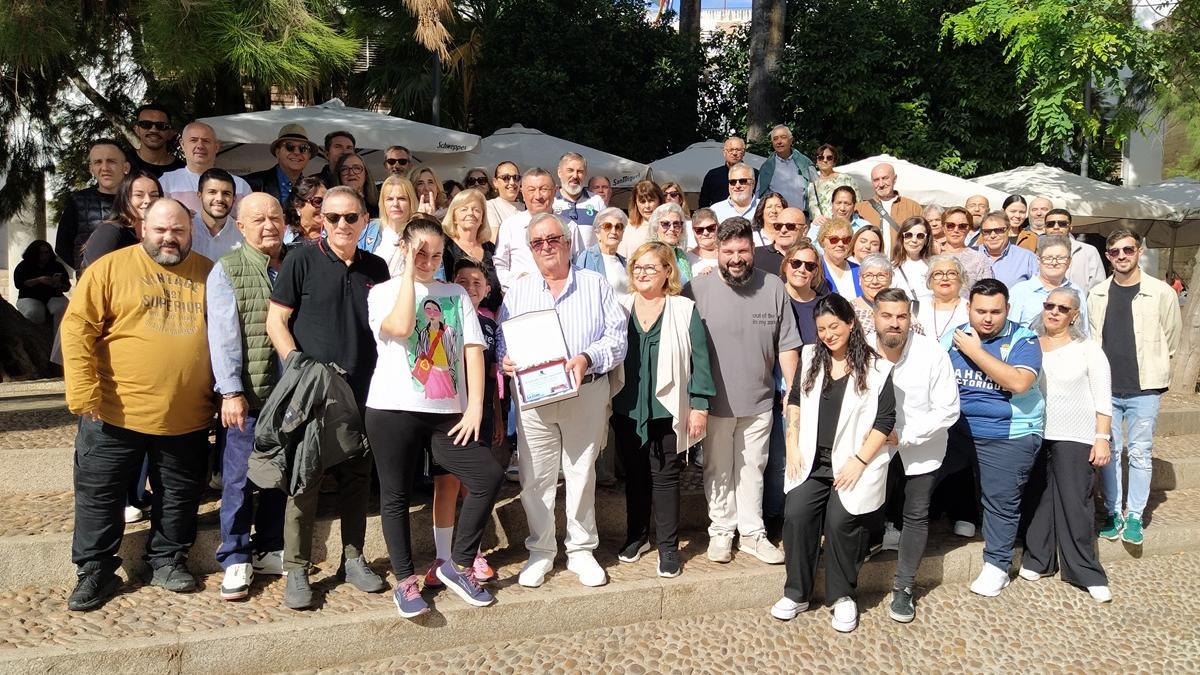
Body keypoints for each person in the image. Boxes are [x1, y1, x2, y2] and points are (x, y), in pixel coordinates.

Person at [61, 198, 215, 611]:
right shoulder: (110, 269)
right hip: (112, 412)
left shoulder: (207, 272)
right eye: (161, 229)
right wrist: (82, 391)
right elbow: (77, 330)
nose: (170, 238)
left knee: (179, 494)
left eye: (178, 230)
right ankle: (94, 570)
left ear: (190, 231)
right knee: (100, 494)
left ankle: (167, 559)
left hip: (187, 415)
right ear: (143, 227)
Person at [364, 216, 504, 618]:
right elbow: (403, 325)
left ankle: (457, 563)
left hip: (446, 410)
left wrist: (475, 405)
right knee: (395, 495)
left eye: (436, 254)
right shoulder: (383, 292)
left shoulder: (456, 294)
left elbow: (473, 350)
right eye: (420, 252)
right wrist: (409, 271)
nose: (428, 260)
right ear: (405, 249)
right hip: (392, 408)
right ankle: (405, 581)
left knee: (486, 476)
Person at [265, 186, 391, 609]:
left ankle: (353, 558)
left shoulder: (377, 266)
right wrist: (297, 366)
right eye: (332, 217)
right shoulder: (300, 257)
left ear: (365, 221)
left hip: (364, 390)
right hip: (314, 392)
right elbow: (276, 320)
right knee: (305, 480)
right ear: (322, 219)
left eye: (350, 218)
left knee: (358, 479)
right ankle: (297, 568)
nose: (341, 225)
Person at [498, 212, 628, 589]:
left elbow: (617, 339)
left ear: (568, 243)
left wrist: (587, 357)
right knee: (534, 478)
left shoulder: (595, 285)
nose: (546, 247)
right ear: (531, 249)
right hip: (535, 398)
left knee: (581, 472)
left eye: (552, 239)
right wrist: (504, 360)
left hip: (584, 390)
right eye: (537, 243)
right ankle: (540, 551)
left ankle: (581, 550)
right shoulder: (519, 290)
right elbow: (504, 342)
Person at [772, 294, 895, 633]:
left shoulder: (877, 368)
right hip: (812, 461)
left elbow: (884, 421)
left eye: (834, 326)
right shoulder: (810, 357)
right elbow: (794, 400)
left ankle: (842, 596)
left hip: (852, 464)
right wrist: (793, 445)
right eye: (822, 328)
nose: (827, 334)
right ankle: (797, 592)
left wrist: (858, 461)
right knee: (797, 512)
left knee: (841, 522)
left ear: (851, 323)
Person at [683, 216, 801, 566]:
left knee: (753, 467)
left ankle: (751, 532)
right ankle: (721, 529)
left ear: (753, 249)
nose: (736, 258)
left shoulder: (774, 286)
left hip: (760, 398)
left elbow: (787, 344)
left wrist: (791, 393)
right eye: (729, 251)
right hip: (714, 402)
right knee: (718, 468)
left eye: (743, 250)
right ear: (716, 251)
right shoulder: (696, 290)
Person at [611, 241, 715, 578]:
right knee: (635, 475)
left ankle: (669, 548)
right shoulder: (620, 305)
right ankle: (637, 536)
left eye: (650, 267)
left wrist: (699, 406)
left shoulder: (683, 308)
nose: (642, 273)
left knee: (665, 477)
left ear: (667, 271)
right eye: (637, 267)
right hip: (627, 406)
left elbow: (701, 361)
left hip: (667, 409)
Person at [205, 192, 289, 601]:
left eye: (275, 216)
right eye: (258, 219)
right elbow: (222, 337)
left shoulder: (296, 263)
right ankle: (235, 554)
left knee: (279, 477)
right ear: (240, 226)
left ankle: (270, 546)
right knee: (238, 480)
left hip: (288, 397)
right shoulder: (228, 269)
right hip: (248, 396)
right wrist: (231, 390)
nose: (269, 225)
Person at [942, 279, 1044, 598]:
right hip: (957, 429)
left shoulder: (1024, 338)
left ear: (1008, 310)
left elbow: (1018, 382)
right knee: (916, 474)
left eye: (996, 311)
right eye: (981, 310)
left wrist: (974, 352)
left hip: (1007, 433)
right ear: (968, 308)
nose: (987, 318)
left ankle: (997, 565)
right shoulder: (953, 335)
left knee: (999, 500)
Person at [1087, 229, 1181, 546]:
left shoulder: (1161, 292)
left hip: (1145, 388)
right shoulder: (1097, 293)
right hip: (1106, 388)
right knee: (1109, 453)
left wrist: (1155, 365)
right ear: (1108, 256)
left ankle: (1135, 516)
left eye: (1127, 250)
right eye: (1114, 252)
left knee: (1140, 453)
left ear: (1138, 251)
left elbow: (1171, 337)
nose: (1122, 256)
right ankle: (1113, 512)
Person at [871, 288, 959, 623]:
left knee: (916, 514)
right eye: (887, 315)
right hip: (871, 445)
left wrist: (904, 436)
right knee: (862, 507)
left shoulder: (932, 352)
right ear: (875, 315)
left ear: (910, 317)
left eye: (901, 316)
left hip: (922, 446)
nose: (894, 323)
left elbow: (948, 410)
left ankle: (904, 586)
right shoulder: (860, 347)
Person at [1020, 288, 1113, 603]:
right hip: (1035, 431)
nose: (1055, 312)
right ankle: (1038, 559)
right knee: (1037, 498)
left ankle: (1085, 570)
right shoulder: (1029, 345)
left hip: (1076, 433)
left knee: (1076, 501)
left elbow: (1103, 397)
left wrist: (1102, 438)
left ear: (1075, 315)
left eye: (1063, 308)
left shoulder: (1088, 349)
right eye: (1050, 305)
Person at [494, 168, 582, 291]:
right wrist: (513, 284)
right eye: (531, 190)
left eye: (543, 189)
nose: (538, 196)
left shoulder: (570, 226)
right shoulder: (509, 226)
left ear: (555, 191)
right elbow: (499, 264)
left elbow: (579, 263)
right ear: (522, 193)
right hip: (521, 297)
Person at [55, 139, 129, 272]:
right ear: (91, 169)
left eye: (111, 161)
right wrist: (85, 269)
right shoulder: (77, 201)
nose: (105, 168)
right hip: (91, 285)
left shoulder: (138, 201)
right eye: (98, 162)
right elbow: (62, 246)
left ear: (126, 167)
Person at [159, 122, 251, 218]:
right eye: (193, 140)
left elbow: (251, 222)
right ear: (182, 145)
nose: (200, 146)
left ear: (216, 147)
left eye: (206, 141)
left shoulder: (240, 186)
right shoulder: (166, 182)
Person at [80, 170, 161, 271]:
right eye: (139, 195)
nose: (148, 200)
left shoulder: (160, 235)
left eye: (154, 195)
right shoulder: (110, 231)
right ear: (125, 198)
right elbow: (94, 276)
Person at [1009, 235, 1090, 332]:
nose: (1054, 262)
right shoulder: (1020, 291)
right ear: (1038, 260)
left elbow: (1083, 331)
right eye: (1048, 258)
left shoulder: (1076, 292)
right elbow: (1010, 331)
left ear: (1069, 261)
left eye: (1061, 258)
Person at [441, 188, 502, 311]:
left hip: (491, 320)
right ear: (453, 217)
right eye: (464, 209)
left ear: (482, 218)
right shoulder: (445, 247)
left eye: (476, 210)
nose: (471, 213)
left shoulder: (490, 248)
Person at [854, 163, 922, 256]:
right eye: (876, 180)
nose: (881, 184)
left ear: (895, 179)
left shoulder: (913, 207)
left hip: (902, 265)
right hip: (870, 266)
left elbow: (924, 237)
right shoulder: (859, 209)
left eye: (885, 178)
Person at [358, 175, 417, 276]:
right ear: (383, 203)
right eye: (389, 199)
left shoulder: (421, 233)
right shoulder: (367, 229)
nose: (395, 204)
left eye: (402, 198)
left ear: (411, 202)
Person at [242, 124, 315, 205]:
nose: (297, 152)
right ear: (277, 152)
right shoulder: (251, 184)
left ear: (309, 156)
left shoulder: (314, 190)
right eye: (289, 147)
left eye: (303, 148)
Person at [13, 240, 70, 334]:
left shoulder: (56, 266)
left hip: (53, 296)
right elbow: (19, 284)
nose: (44, 256)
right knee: (34, 313)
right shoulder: (24, 266)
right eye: (40, 253)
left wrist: (59, 284)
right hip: (29, 296)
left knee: (62, 308)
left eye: (47, 252)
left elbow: (66, 286)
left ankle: (59, 341)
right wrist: (38, 280)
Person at [756, 125, 816, 213]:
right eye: (775, 139)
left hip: (802, 218)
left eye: (783, 137)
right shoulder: (766, 168)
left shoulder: (805, 164)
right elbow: (759, 196)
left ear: (791, 140)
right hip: (777, 219)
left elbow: (817, 190)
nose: (779, 142)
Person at [553, 152, 606, 248]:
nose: (575, 176)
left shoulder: (597, 201)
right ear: (559, 172)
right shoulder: (551, 202)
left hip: (590, 262)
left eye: (580, 171)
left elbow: (606, 235)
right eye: (570, 170)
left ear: (585, 174)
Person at [190, 168, 245, 261]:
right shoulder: (186, 229)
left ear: (234, 198)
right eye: (212, 192)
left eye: (226, 193)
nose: (219, 198)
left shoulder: (242, 234)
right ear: (200, 195)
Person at [1043, 209, 1105, 290]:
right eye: (1050, 224)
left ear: (1070, 227)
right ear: (1044, 228)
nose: (1056, 227)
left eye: (1062, 224)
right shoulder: (1037, 251)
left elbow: (1098, 285)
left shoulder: (1089, 251)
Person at [574, 207, 629, 296]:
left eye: (618, 227)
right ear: (597, 233)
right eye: (608, 226)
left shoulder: (624, 262)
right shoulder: (587, 258)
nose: (614, 231)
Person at [782, 240, 828, 345]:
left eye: (810, 266)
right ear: (785, 265)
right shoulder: (773, 299)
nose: (802, 270)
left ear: (815, 271)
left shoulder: (824, 304)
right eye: (796, 263)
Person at [976, 210, 1038, 288]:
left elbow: (1038, 288)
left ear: (1008, 230)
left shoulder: (1026, 258)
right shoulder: (971, 255)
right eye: (987, 231)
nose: (993, 235)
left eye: (999, 230)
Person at [939, 206, 993, 294]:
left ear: (969, 229)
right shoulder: (932, 254)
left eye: (962, 226)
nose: (956, 230)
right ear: (943, 227)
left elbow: (988, 292)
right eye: (950, 225)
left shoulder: (979, 259)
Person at [916, 255, 971, 342]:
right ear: (930, 280)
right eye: (938, 274)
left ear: (961, 279)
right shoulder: (916, 306)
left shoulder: (970, 309)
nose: (945, 278)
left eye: (951, 273)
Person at [127, 104, 184, 178]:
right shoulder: (123, 163)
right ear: (137, 130)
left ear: (171, 133)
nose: (153, 130)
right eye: (146, 124)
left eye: (161, 126)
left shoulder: (183, 170)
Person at [892, 216, 934, 311]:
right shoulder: (892, 267)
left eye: (920, 236)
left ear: (926, 240)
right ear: (902, 238)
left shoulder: (934, 266)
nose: (914, 240)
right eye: (908, 235)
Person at [805, 144, 856, 220]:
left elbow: (858, 205)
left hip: (845, 224)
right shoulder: (812, 185)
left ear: (834, 161)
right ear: (816, 161)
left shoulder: (846, 179)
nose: (825, 160)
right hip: (823, 227)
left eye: (829, 158)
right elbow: (812, 211)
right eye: (821, 158)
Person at [698, 136, 750, 208]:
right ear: (724, 152)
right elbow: (703, 203)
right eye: (731, 150)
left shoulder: (753, 174)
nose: (734, 153)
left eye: (738, 150)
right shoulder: (712, 175)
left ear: (744, 152)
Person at [647, 203, 692, 282]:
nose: (672, 228)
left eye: (676, 224)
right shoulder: (648, 254)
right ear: (656, 227)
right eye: (665, 224)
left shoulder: (681, 256)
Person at [817, 218, 860, 300]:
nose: (840, 244)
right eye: (834, 239)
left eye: (846, 240)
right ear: (822, 241)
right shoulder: (815, 269)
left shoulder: (858, 270)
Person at [710, 164, 760, 233]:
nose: (737, 186)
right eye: (733, 182)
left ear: (753, 184)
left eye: (742, 181)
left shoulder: (764, 208)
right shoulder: (715, 210)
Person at [850, 254, 893, 335]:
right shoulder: (849, 309)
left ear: (890, 279)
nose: (875, 282)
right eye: (868, 276)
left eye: (881, 276)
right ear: (860, 279)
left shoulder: (900, 306)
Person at [755, 206, 805, 275]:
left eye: (790, 226)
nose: (783, 230)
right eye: (778, 226)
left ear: (804, 230)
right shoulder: (755, 255)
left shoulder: (810, 259)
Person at [622, 179, 665, 258]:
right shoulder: (628, 226)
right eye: (642, 201)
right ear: (636, 203)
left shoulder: (669, 226)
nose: (647, 206)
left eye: (651, 200)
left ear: (659, 201)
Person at [282, 176, 327, 245]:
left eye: (327, 202)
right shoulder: (282, 233)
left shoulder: (336, 233)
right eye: (318, 201)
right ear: (298, 205)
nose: (324, 206)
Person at [486, 161, 524, 241]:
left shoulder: (527, 207)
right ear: (495, 182)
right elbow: (495, 240)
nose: (512, 182)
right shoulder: (490, 206)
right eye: (505, 178)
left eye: (516, 178)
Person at [334, 153, 379, 219]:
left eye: (357, 168)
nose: (351, 173)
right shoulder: (331, 205)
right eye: (344, 169)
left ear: (366, 174)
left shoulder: (380, 204)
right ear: (339, 175)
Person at [686, 208, 720, 276]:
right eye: (699, 230)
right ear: (693, 231)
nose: (706, 233)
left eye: (710, 228)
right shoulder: (686, 259)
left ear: (718, 226)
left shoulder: (730, 253)